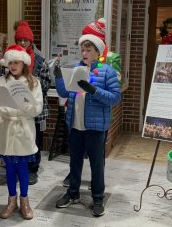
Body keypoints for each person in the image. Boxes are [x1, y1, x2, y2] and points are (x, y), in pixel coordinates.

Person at [54, 21, 121, 217]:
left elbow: (115, 98)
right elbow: (64, 92)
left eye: (88, 49)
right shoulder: (76, 68)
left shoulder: (107, 71)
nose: (84, 52)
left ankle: (98, 198)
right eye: (82, 49)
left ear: (97, 50)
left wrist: (93, 90)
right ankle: (72, 193)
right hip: (75, 125)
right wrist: (59, 77)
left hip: (95, 128)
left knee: (96, 164)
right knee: (74, 162)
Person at [0, 44, 43, 220]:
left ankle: (24, 201)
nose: (13, 66)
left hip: (23, 129)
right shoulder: (0, 81)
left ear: (24, 63)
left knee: (22, 166)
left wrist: (23, 104)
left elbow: (37, 109)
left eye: (16, 62)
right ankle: (12, 201)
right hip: (5, 127)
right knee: (9, 167)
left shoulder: (33, 82)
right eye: (10, 62)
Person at [14, 20, 51, 185]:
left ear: (31, 40)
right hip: (16, 107)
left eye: (25, 40)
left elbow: (46, 82)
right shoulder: (12, 56)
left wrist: (30, 83)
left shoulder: (39, 58)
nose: (22, 43)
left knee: (34, 138)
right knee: (20, 137)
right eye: (19, 40)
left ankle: (33, 169)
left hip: (34, 106)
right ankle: (20, 168)